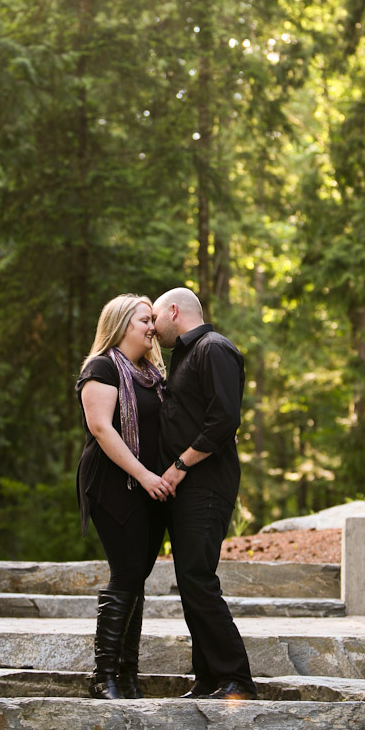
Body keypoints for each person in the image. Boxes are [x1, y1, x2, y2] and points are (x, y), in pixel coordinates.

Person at [152, 286, 257, 701]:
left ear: (174, 311)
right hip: (188, 485)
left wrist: (178, 467)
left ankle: (238, 680)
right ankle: (209, 677)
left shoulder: (214, 349)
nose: (151, 325)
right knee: (190, 578)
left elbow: (223, 420)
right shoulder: (183, 355)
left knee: (197, 577)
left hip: (207, 482)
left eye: (155, 316)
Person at [76, 293, 174, 699]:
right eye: (144, 321)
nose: (153, 327)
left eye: (153, 320)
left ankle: (127, 674)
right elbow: (102, 428)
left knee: (138, 578)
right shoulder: (102, 367)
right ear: (120, 325)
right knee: (127, 573)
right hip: (115, 484)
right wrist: (145, 475)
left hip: (150, 487)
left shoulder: (150, 374)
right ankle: (103, 677)